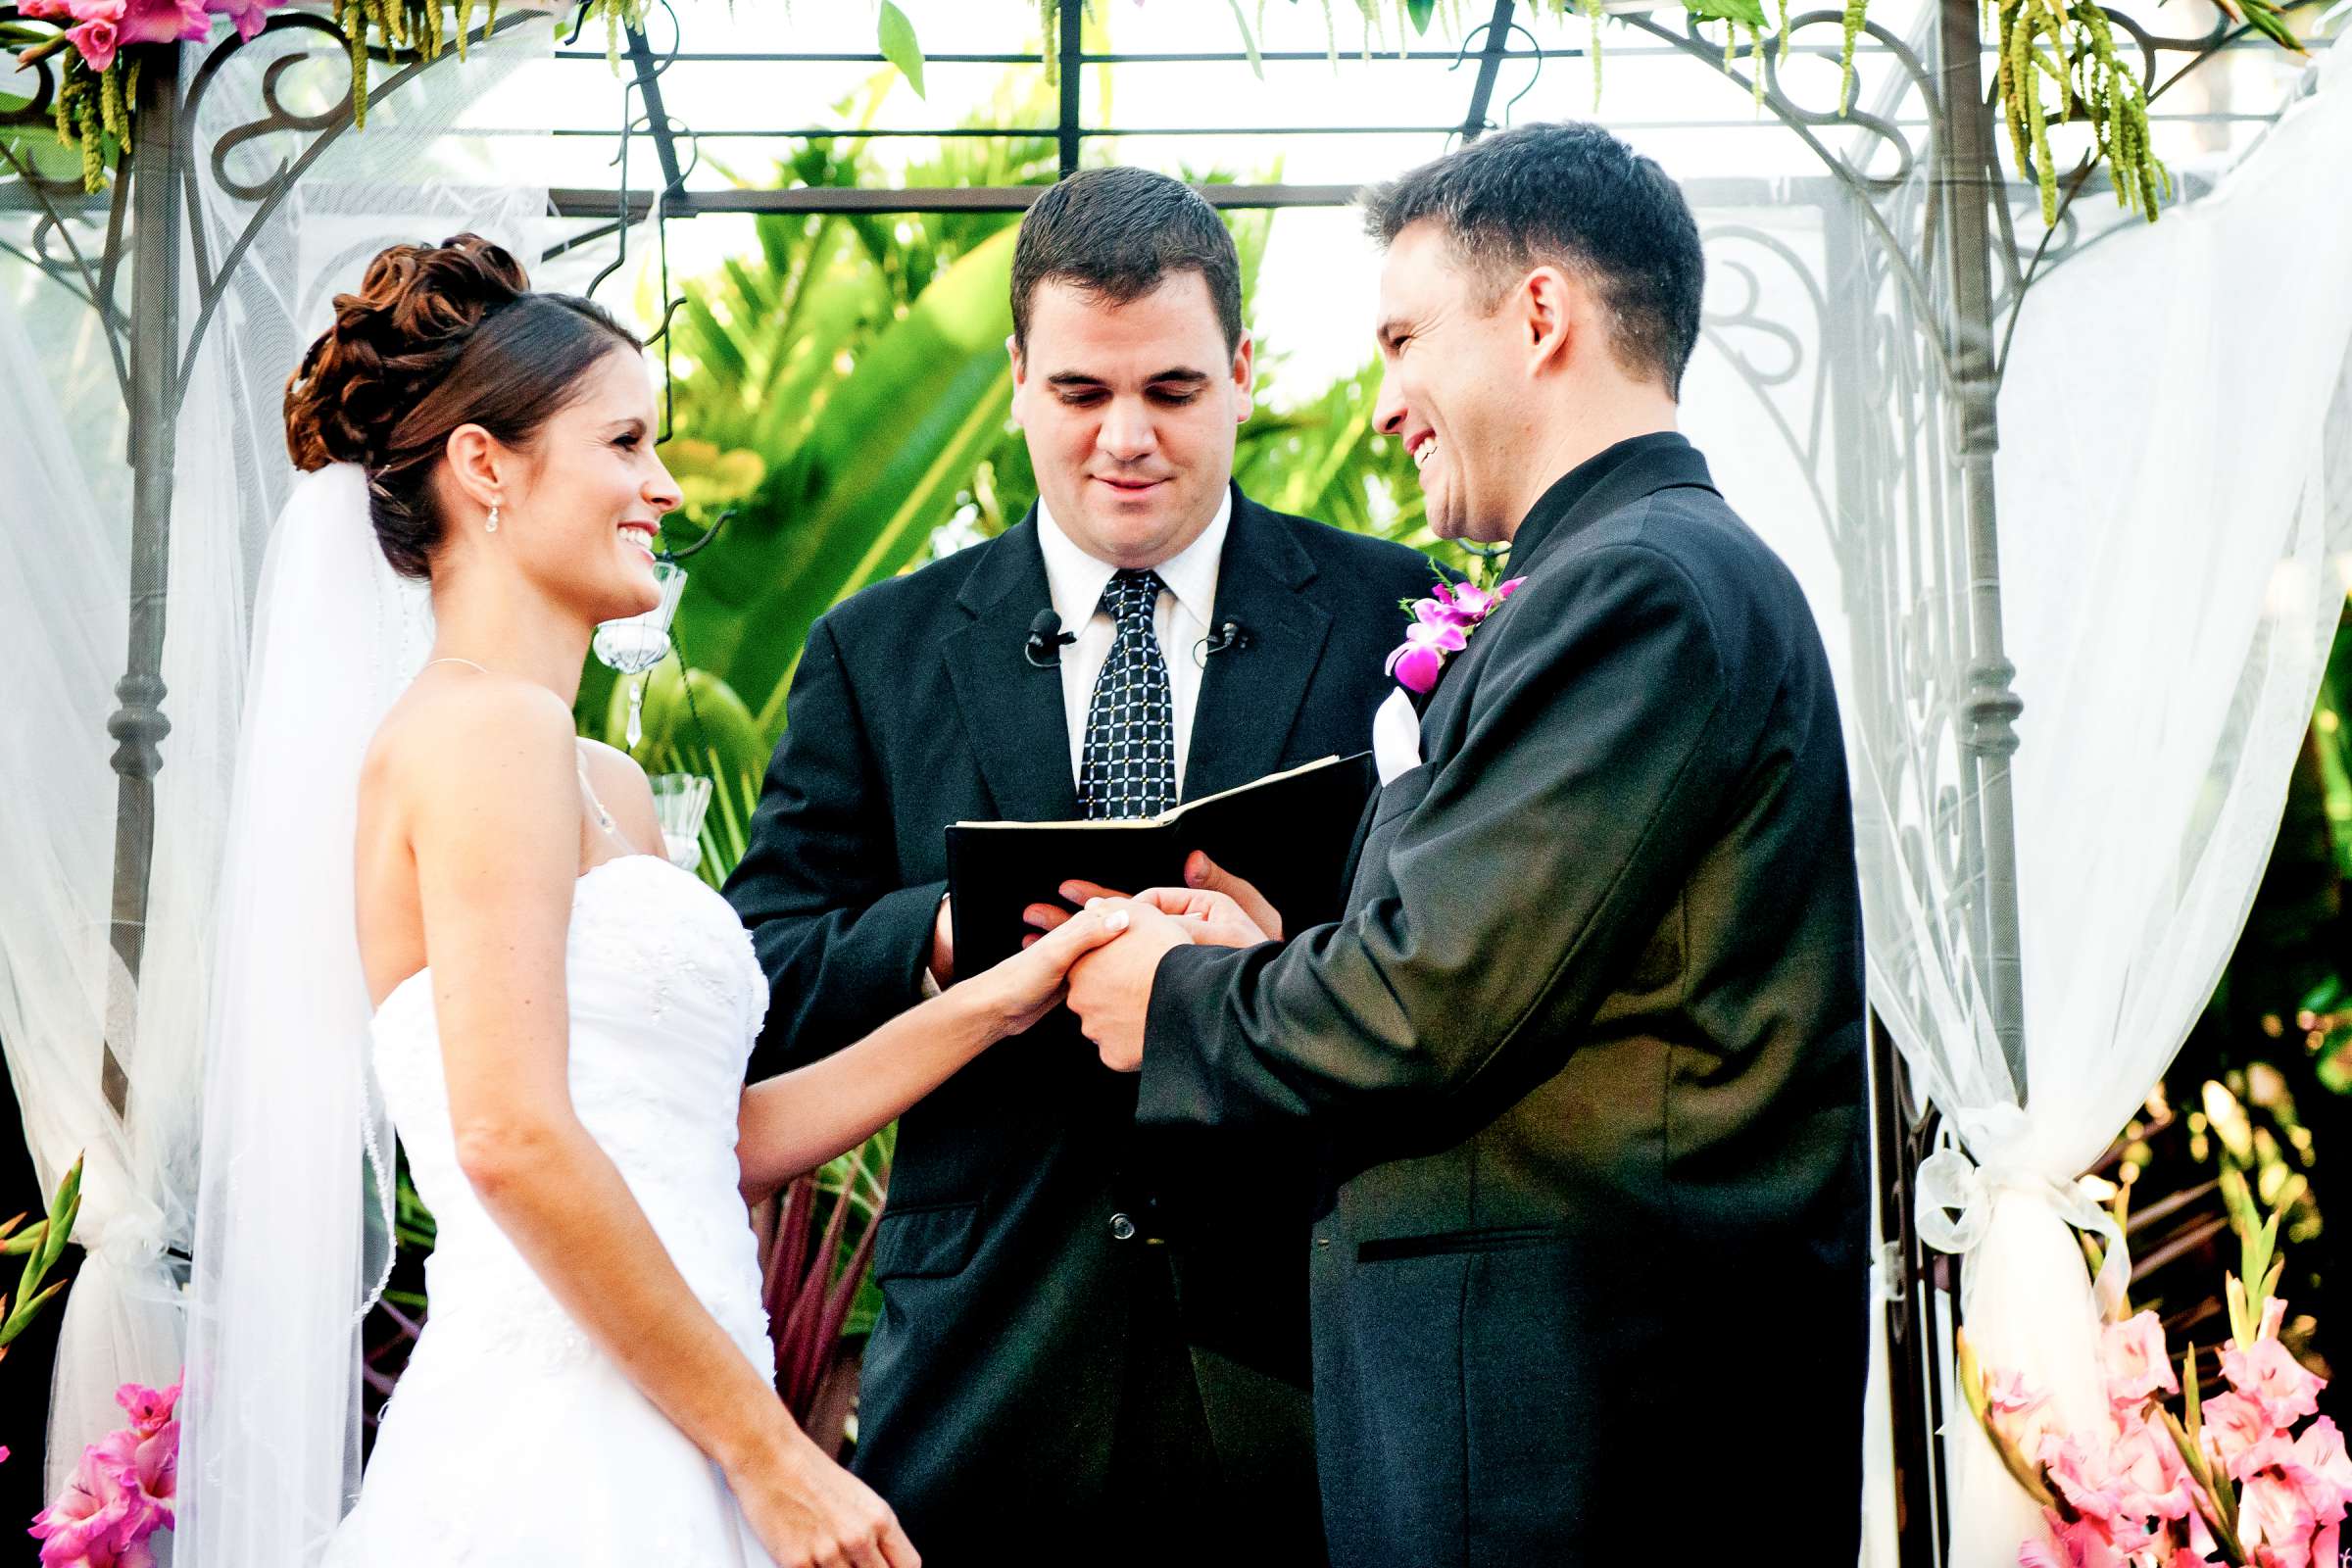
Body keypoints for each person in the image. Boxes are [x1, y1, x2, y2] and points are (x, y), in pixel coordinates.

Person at [182, 233, 1126, 1568]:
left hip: (681, 1410)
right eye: (625, 443)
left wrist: (1001, 996)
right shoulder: (480, 734)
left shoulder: (602, 778)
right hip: (562, 1446)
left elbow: (703, 1144)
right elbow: (511, 1136)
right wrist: (773, 1454)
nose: (665, 484)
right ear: (485, 468)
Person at [1058, 122, 1872, 1565]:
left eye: (1403, 338)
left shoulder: (1642, 593)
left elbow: (1437, 997)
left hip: (1587, 1441)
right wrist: (1283, 960)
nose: (1387, 405)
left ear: (1541, 316)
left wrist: (1175, 1004)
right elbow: (1508, 961)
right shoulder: (1624, 575)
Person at [723, 168, 1433, 1564]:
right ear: (1015, 380)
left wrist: (1278, 957)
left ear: (1239, 372)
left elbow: (1458, 951)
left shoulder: (1391, 613)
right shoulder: (879, 651)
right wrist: (949, 936)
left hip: (1306, 1353)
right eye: (1080, 394)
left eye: (1171, 392)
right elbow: (759, 977)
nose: (1126, 439)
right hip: (990, 1364)